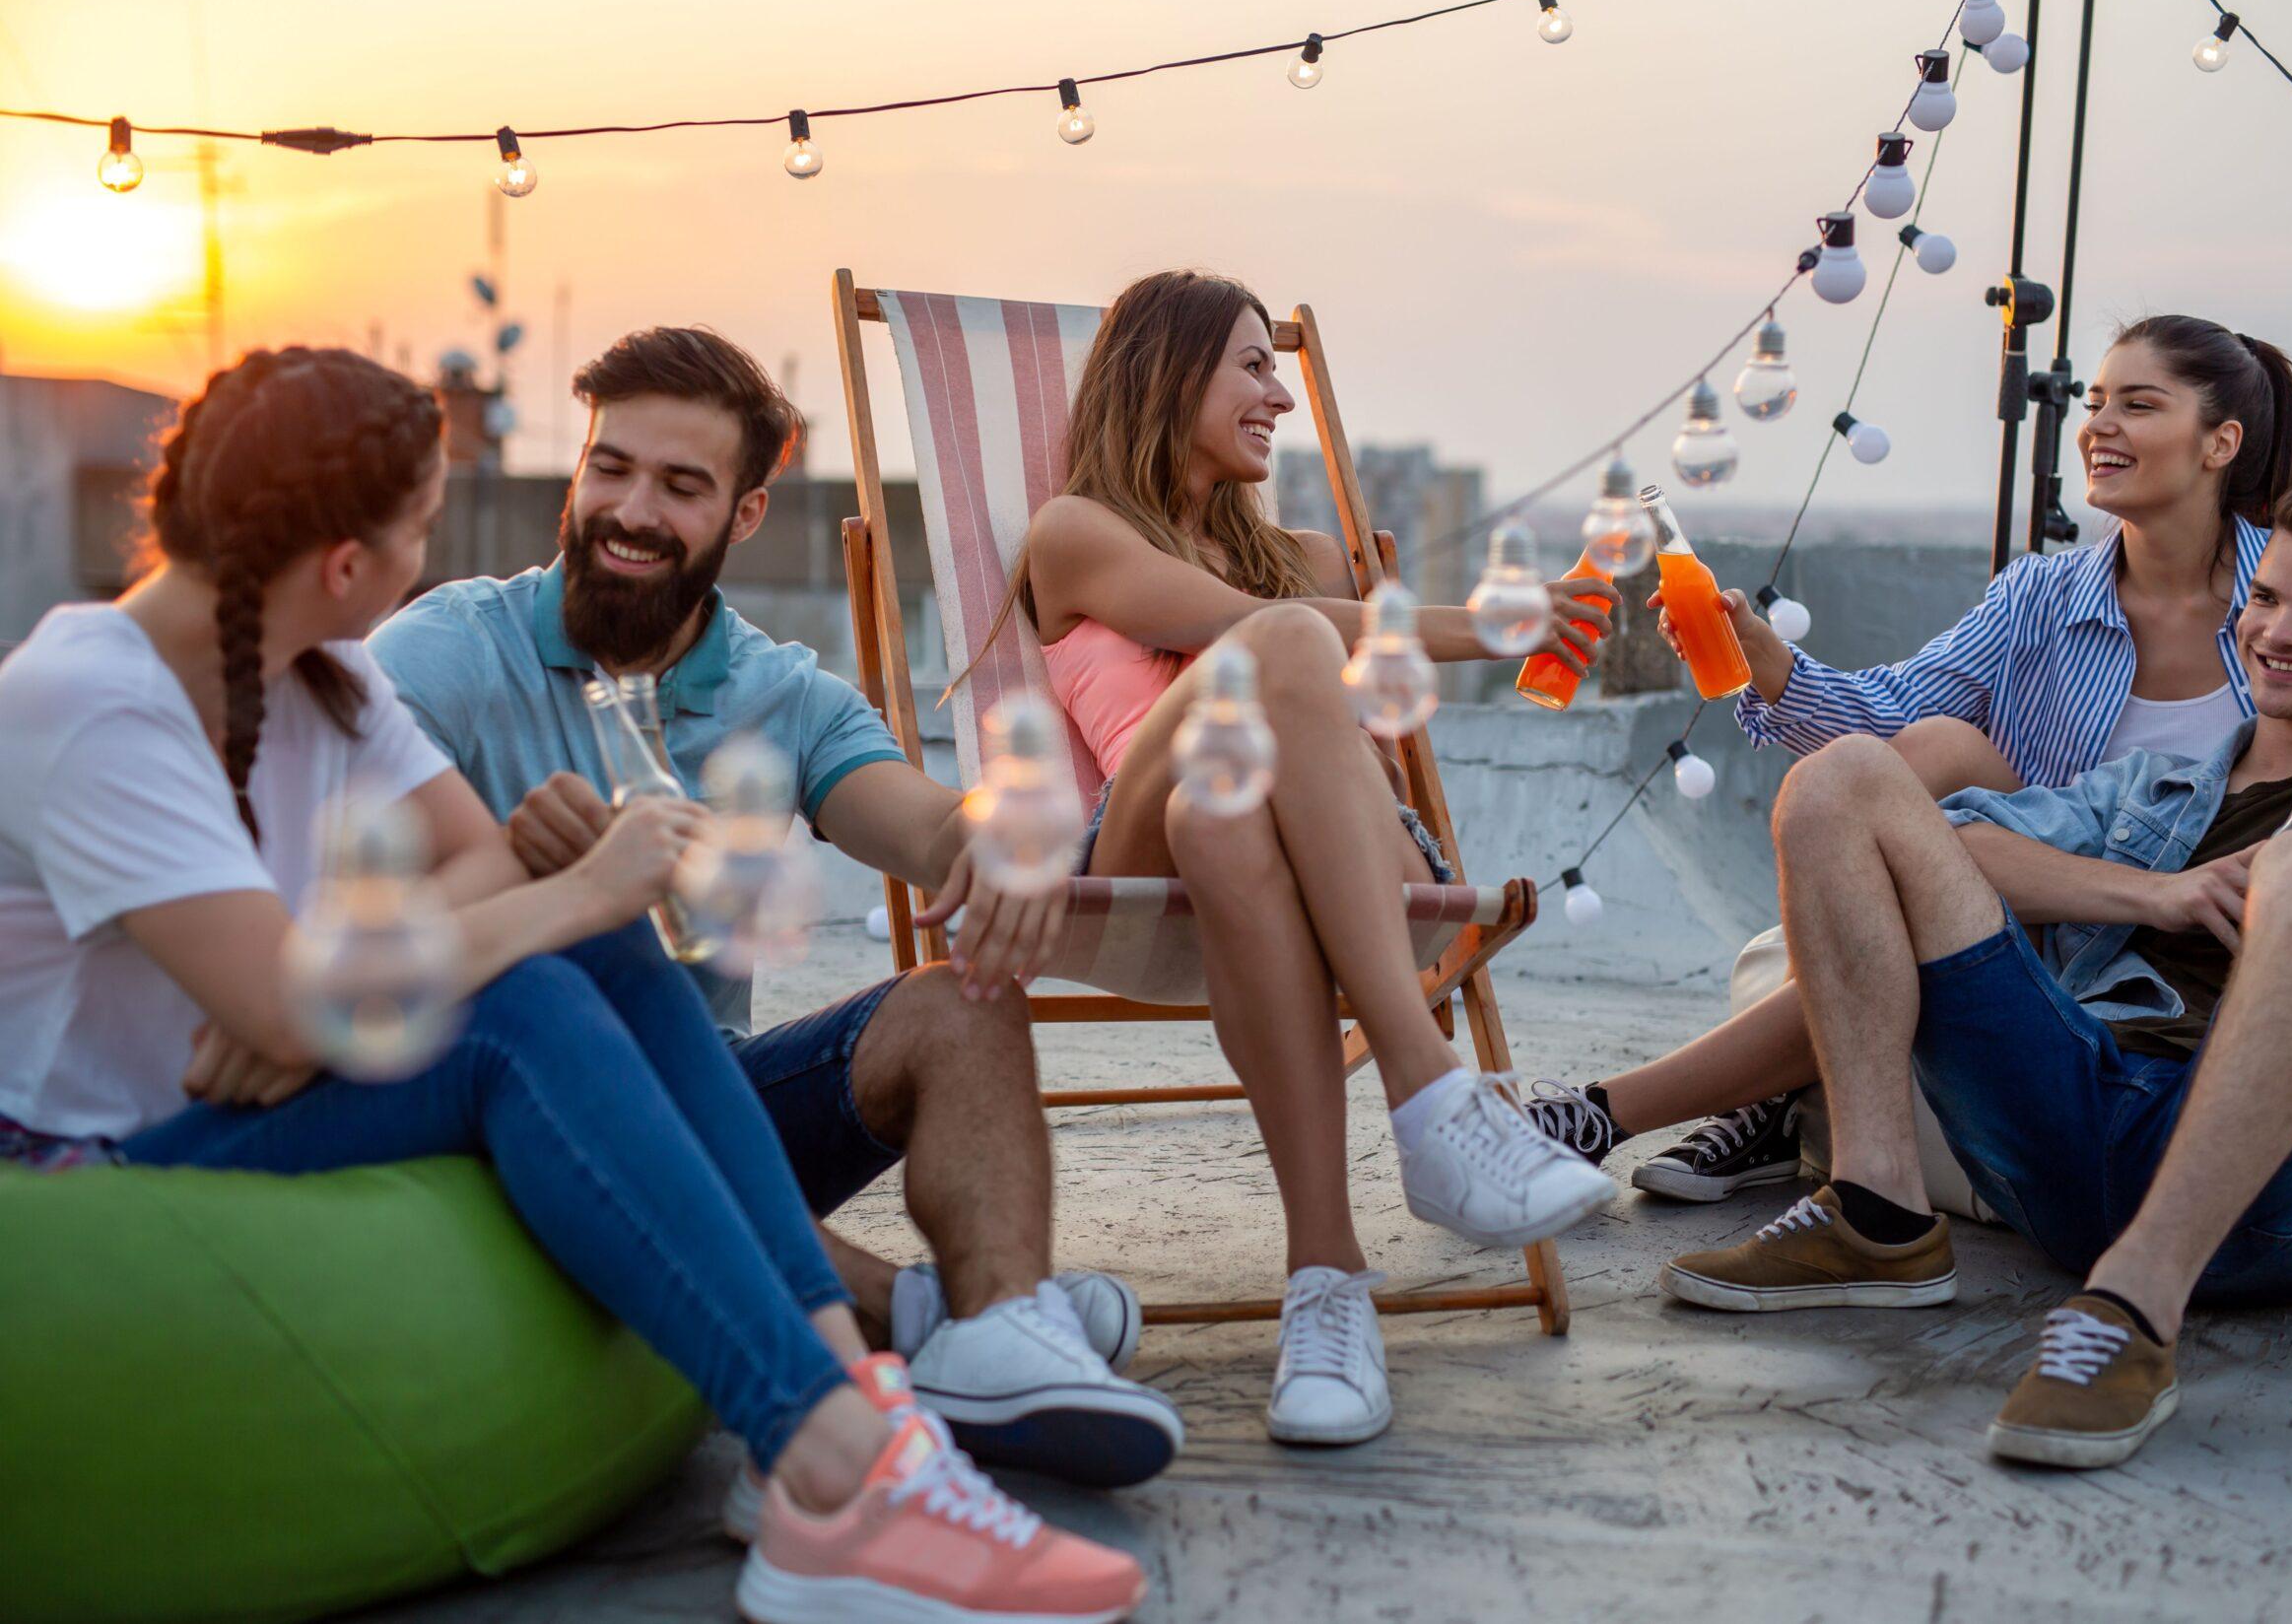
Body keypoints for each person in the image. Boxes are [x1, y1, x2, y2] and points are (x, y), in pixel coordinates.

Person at [0, 347, 1146, 1622]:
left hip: (312, 1088)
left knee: (593, 954)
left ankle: (845, 1431)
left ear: (741, 510)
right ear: (345, 566)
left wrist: (343, 977)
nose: (421, 563)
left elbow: (459, 874)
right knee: (542, 988)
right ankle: (838, 1450)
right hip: (97, 1161)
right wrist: (551, 899)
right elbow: (316, 984)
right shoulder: (96, 699)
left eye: (680, 481)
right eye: (417, 531)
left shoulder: (332, 675)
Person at [370, 326, 1181, 1497]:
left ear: (746, 513)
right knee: (599, 1063)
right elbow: (334, 893)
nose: (630, 509)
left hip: (720, 1099)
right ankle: (932, 1324)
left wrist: (995, 846)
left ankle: (999, 1334)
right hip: (501, 1112)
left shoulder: (779, 692)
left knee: (958, 1005)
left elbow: (927, 824)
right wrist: (533, 869)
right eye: (612, 468)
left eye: (681, 486)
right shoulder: (447, 653)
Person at [1524, 315, 2292, 1201]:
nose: (2098, 426)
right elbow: (1879, 724)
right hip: (2064, 897)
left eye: (2137, 404)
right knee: (1939, 747)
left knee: (1940, 808)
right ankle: (1753, 1094)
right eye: (2093, 402)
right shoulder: (2043, 596)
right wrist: (1771, 666)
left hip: (2211, 937)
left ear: (2221, 442)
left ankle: (1686, 1103)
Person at [1657, 478, 2292, 1469]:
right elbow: (1941, 847)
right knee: (1843, 778)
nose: (2280, 630)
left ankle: (2131, 1312)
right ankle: (1875, 1211)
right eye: (2268, 598)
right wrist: (2154, 893)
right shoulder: (2156, 788)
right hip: (2081, 1118)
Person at [971, 269, 1619, 1446]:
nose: (1278, 394)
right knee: (1260, 651)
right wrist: (1490, 624)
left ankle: (1327, 1291)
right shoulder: (1075, 535)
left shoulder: (1309, 557)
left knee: (1226, 814)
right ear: (1169, 376)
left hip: (1335, 859)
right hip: (1131, 854)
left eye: (1278, 365)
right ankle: (1433, 1098)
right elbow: (1221, 631)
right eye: (1251, 365)